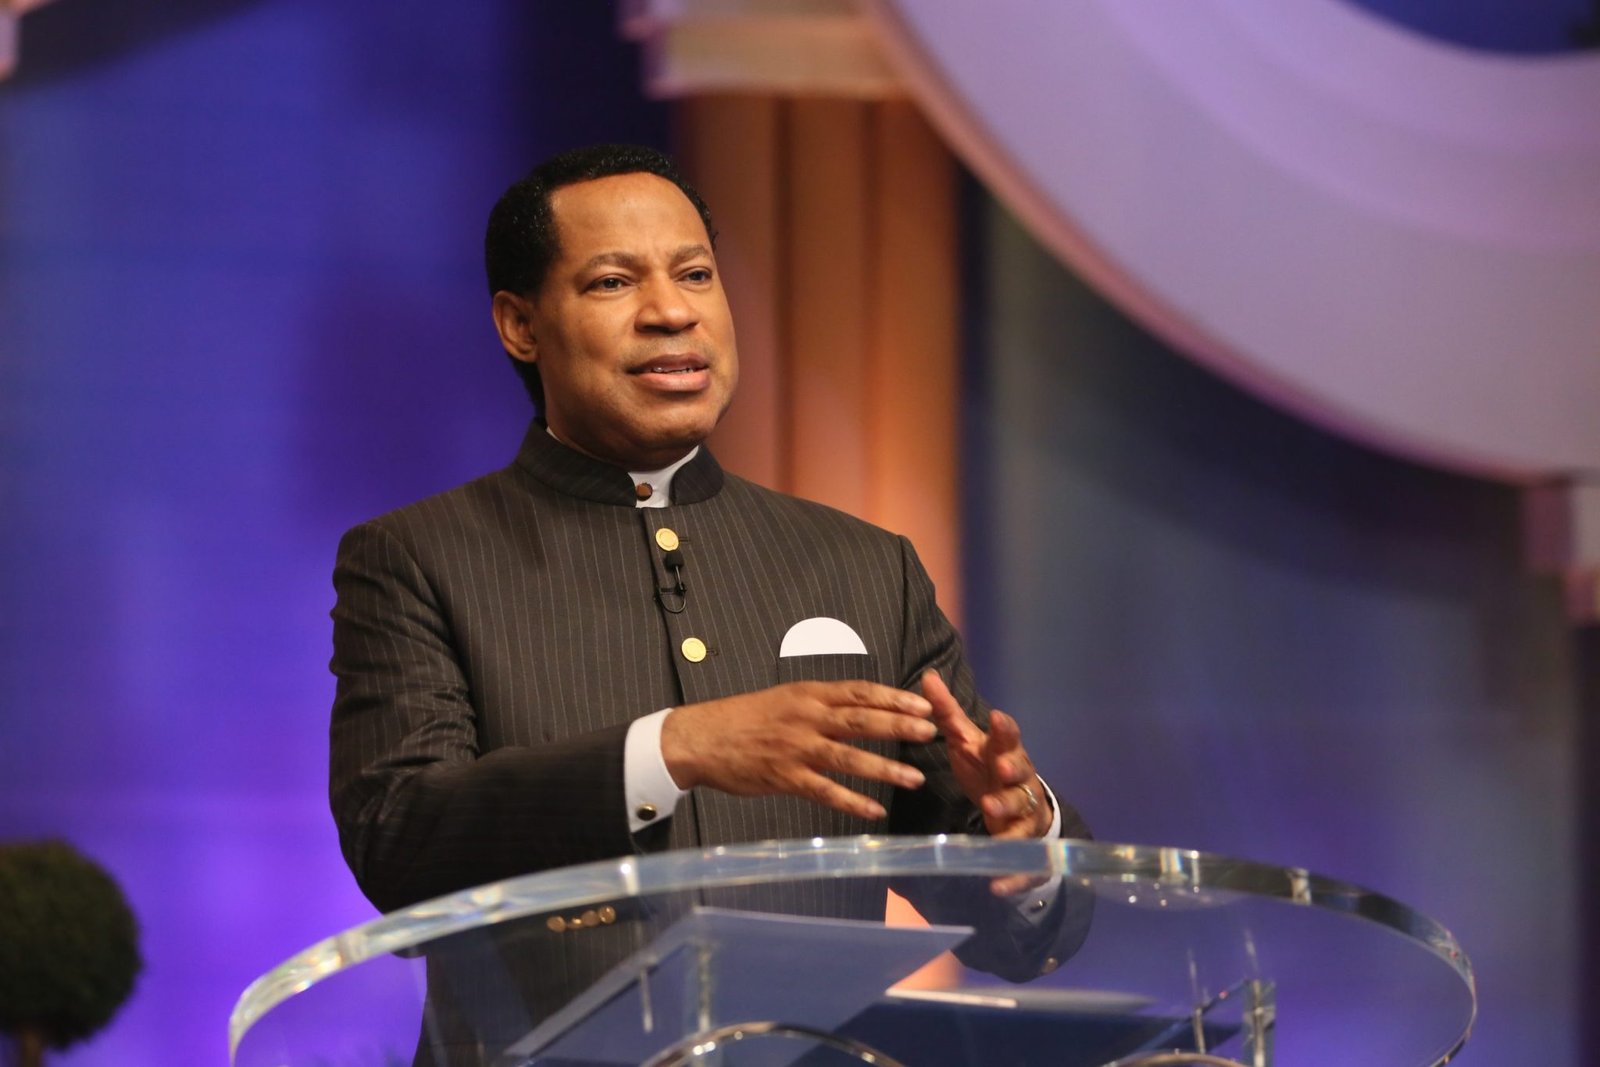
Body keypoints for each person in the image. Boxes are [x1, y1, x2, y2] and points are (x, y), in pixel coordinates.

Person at [328, 144, 1090, 1060]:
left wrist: (1024, 843)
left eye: (695, 274)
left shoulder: (864, 565)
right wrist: (670, 750)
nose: (672, 311)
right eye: (614, 282)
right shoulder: (418, 557)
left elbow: (1013, 931)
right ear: (520, 324)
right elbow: (398, 839)